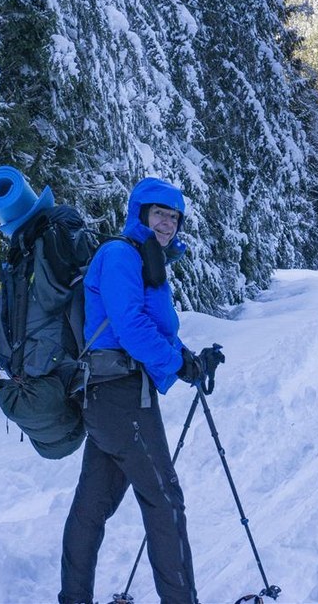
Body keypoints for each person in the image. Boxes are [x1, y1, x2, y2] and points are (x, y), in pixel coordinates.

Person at [58, 177, 220, 604]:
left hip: (113, 396)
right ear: (140, 214)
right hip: (121, 397)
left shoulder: (143, 260)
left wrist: (191, 361)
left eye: (173, 217)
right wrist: (176, 364)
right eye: (159, 214)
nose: (167, 223)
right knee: (165, 502)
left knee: (92, 506)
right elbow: (130, 327)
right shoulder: (120, 255)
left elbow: (152, 327)